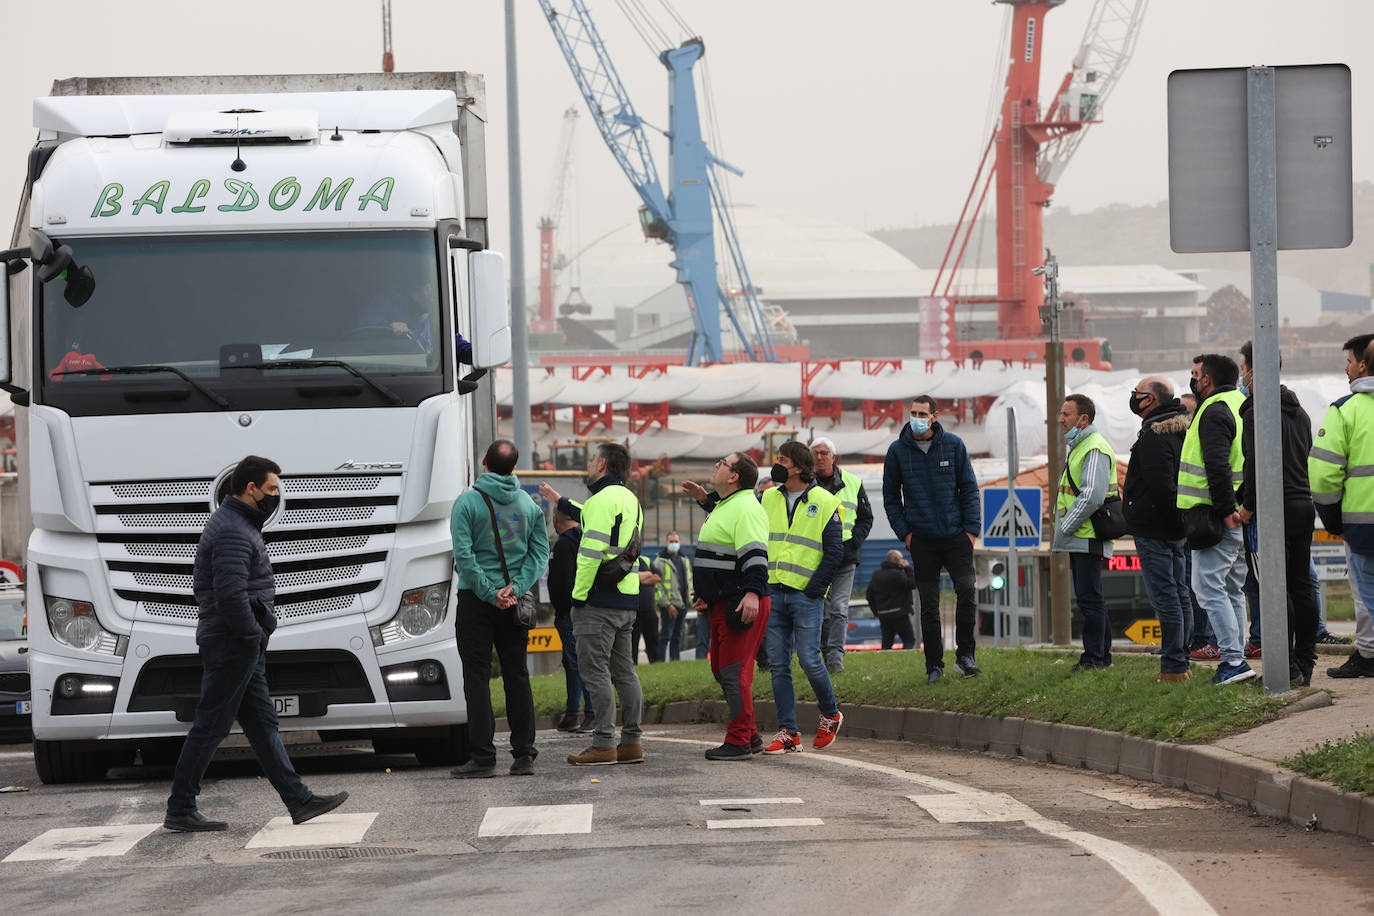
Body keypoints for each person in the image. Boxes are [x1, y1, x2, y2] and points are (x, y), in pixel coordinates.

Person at [164, 455, 348, 832]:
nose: (274, 497)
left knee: (262, 725)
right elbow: (230, 595)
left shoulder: (237, 523)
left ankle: (299, 800)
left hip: (239, 641)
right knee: (211, 725)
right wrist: (252, 635)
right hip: (234, 641)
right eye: (270, 490)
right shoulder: (232, 529)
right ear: (250, 489)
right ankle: (180, 807)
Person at [448, 440, 549, 778]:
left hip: (477, 602)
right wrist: (515, 589)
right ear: (514, 467)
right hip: (514, 601)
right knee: (517, 675)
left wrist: (491, 593)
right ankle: (524, 756)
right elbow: (538, 554)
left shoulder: (467, 502)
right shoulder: (529, 504)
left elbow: (464, 556)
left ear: (484, 462)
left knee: (476, 678)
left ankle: (482, 758)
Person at [551, 443, 646, 766]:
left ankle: (603, 742)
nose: (590, 464)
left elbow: (590, 551)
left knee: (595, 673)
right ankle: (631, 742)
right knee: (625, 672)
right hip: (627, 598)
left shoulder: (600, 500)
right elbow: (597, 519)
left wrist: (578, 596)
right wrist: (561, 502)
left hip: (597, 602)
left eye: (593, 459)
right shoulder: (629, 499)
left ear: (602, 463)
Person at [1236, 341, 1320, 686]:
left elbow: (1258, 463)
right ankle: (1305, 663)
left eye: (1242, 369)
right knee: (1301, 586)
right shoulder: (1299, 412)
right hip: (1303, 504)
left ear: (1254, 373)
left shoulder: (1258, 412)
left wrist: (1247, 506)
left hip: (1272, 510)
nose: (1241, 376)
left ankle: (1282, 669)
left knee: (1273, 588)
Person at [881, 395, 981, 683]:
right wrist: (906, 534)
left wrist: (970, 531)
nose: (916, 417)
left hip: (956, 537)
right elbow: (890, 498)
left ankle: (965, 657)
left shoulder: (954, 445)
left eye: (922, 413)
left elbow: (969, 489)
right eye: (912, 412)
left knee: (967, 592)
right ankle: (934, 665)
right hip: (921, 540)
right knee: (928, 605)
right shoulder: (898, 451)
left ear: (935, 416)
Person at [681, 453, 771, 760]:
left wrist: (753, 593)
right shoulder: (729, 504)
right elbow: (721, 533)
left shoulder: (746, 507)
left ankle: (739, 741)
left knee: (734, 673)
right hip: (723, 601)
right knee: (722, 669)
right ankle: (751, 734)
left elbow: (755, 554)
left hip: (741, 601)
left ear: (734, 477)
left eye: (722, 462)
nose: (716, 464)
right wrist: (704, 499)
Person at [760, 440, 845, 754]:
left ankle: (829, 713)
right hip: (773, 590)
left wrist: (814, 589)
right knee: (779, 666)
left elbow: (835, 551)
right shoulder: (768, 496)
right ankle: (788, 733)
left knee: (810, 659)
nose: (776, 463)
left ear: (796, 465)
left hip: (805, 596)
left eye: (781, 459)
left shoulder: (824, 501)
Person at [1177, 353, 1255, 685]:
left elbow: (1217, 465)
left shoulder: (1212, 409)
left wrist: (1226, 513)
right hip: (1234, 514)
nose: (1193, 381)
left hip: (1215, 517)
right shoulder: (1240, 402)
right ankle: (1237, 658)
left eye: (1196, 375)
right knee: (1232, 589)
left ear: (1206, 379)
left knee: (1207, 588)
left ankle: (1234, 661)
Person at [1311, 334, 1374, 678]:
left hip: (1364, 527)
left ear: (1363, 365)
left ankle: (1368, 656)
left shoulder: (1344, 410)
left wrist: (1334, 519)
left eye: (1349, 361)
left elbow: (1322, 477)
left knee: (1367, 597)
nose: (1345, 367)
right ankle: (1366, 655)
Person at [1122, 377, 1193, 682]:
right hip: (1177, 526)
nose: (1133, 399)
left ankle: (1174, 666)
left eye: (1136, 394)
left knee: (1165, 596)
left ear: (1149, 399)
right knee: (1180, 593)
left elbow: (1161, 487)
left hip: (1156, 528)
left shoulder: (1154, 435)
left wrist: (1165, 520)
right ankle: (1181, 658)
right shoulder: (1181, 429)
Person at [1052, 395, 1120, 672]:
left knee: (1089, 599)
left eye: (1066, 414)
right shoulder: (1081, 446)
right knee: (1091, 598)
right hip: (1082, 535)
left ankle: (1094, 659)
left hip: (1086, 534)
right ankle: (1101, 657)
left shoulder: (1093, 447)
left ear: (1084, 419)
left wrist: (1066, 526)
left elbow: (1092, 495)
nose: (1061, 419)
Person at [811, 437, 874, 674]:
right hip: (814, 557)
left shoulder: (853, 483)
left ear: (833, 456)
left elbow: (866, 518)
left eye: (824, 453)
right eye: (815, 453)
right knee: (819, 610)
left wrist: (855, 542)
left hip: (844, 557)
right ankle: (819, 656)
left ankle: (835, 659)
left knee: (838, 608)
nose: (819, 457)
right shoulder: (805, 484)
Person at [548, 504, 594, 732]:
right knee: (575, 662)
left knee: (578, 664)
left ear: (556, 518)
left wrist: (563, 608)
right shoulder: (585, 539)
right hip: (585, 609)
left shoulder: (564, 544)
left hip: (569, 613)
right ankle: (573, 713)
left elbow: (562, 581)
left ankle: (590, 715)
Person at [653, 531, 694, 661]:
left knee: (677, 636)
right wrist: (668, 605)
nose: (674, 544)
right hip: (669, 606)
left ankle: (675, 660)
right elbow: (657, 586)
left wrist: (691, 600)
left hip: (683, 604)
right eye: (671, 541)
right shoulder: (659, 562)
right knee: (665, 636)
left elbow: (689, 581)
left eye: (676, 541)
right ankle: (660, 662)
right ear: (666, 543)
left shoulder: (684, 560)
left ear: (680, 543)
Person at [866, 549, 917, 650]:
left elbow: (869, 594)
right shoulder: (897, 574)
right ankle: (905, 659)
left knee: (887, 643)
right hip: (899, 613)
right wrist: (908, 568)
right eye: (901, 558)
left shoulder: (877, 574)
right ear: (895, 560)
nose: (903, 560)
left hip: (883, 614)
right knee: (909, 640)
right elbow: (912, 583)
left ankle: (884, 660)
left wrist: (875, 612)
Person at [631, 556, 662, 663]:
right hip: (633, 612)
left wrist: (639, 579)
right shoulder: (626, 559)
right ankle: (632, 665)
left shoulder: (646, 560)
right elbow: (629, 578)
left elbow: (658, 577)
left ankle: (655, 662)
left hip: (649, 610)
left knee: (653, 640)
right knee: (632, 643)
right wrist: (647, 574)